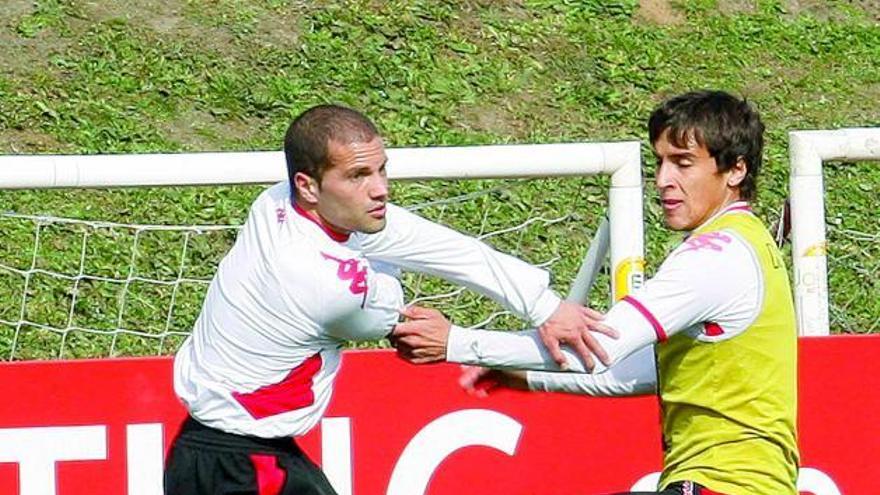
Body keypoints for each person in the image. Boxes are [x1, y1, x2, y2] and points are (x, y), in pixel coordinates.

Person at [163, 104, 609, 495]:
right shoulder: (334, 288)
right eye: (358, 176)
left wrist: (546, 307)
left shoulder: (275, 203)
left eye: (381, 169)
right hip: (242, 469)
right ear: (309, 186)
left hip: (214, 451)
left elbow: (438, 246)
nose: (380, 189)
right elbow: (413, 325)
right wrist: (556, 342)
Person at [392, 90, 799, 495]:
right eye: (659, 162)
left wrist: (454, 342)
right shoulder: (749, 243)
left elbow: (594, 348)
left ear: (735, 170)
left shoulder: (714, 255)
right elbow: (628, 371)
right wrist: (529, 376)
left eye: (683, 163)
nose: (662, 181)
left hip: (722, 484)